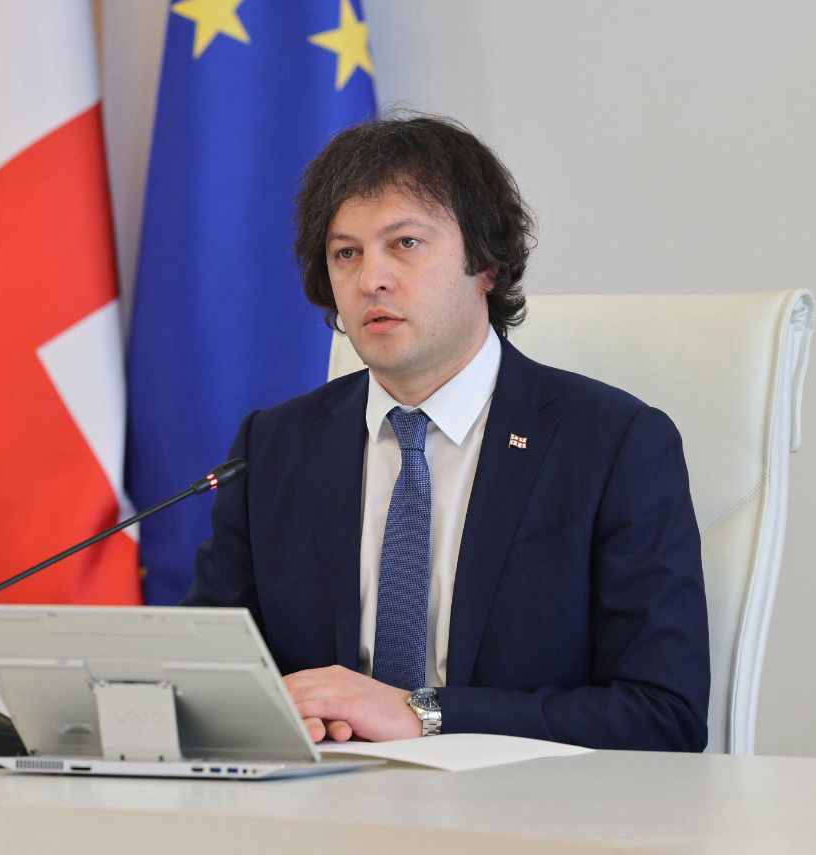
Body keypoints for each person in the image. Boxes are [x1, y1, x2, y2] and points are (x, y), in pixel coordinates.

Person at [183, 115, 710, 752]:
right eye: (346, 253)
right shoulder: (274, 446)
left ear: (485, 261)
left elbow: (664, 715)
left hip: (523, 802)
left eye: (405, 243)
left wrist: (424, 714)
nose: (370, 279)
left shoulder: (614, 445)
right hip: (321, 793)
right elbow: (205, 675)